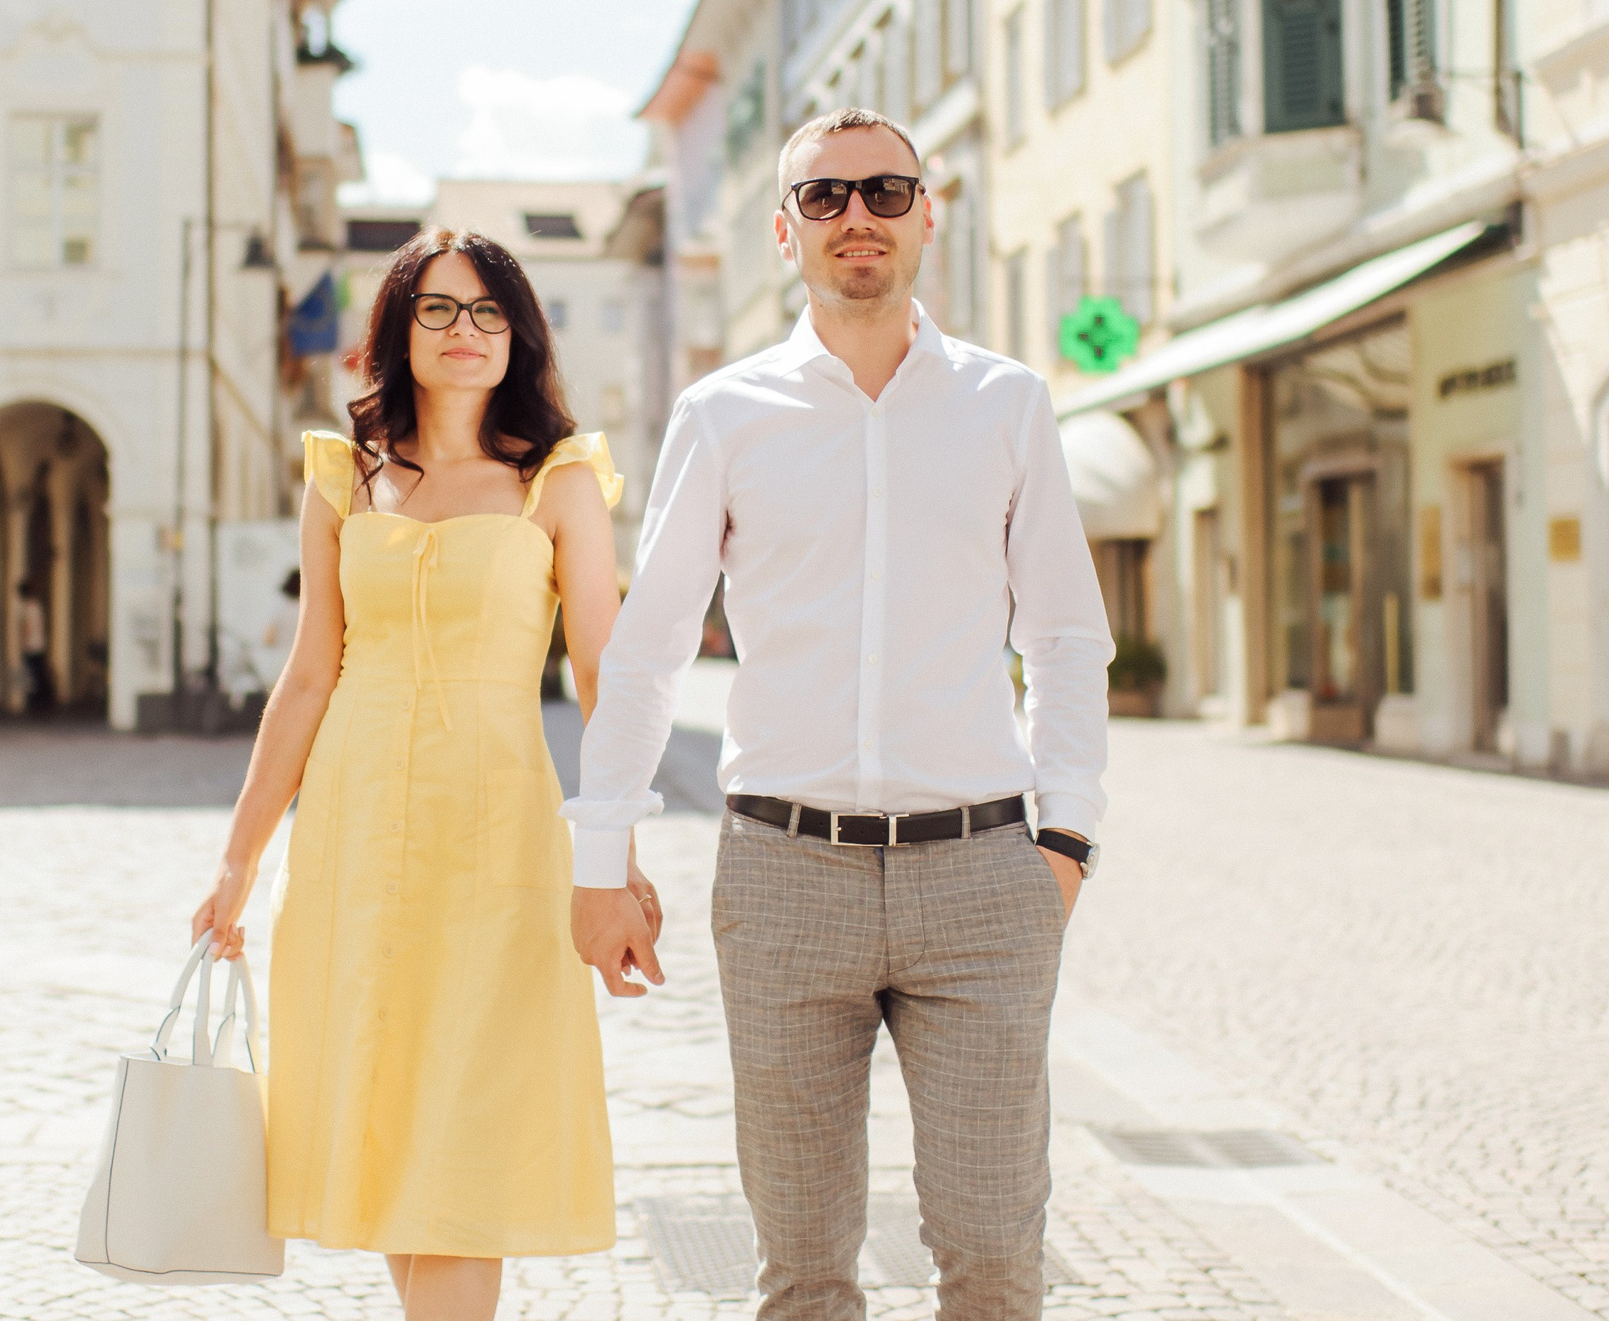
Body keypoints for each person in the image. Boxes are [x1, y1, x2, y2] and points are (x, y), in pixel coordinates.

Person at [567, 108, 1113, 1321]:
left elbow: (1067, 635)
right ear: (783, 231)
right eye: (824, 198)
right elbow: (649, 650)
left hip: (979, 877)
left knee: (992, 1257)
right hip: (781, 877)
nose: (854, 217)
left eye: (882, 191)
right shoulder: (724, 414)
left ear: (929, 214)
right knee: (802, 1270)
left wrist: (1065, 839)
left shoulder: (1006, 404)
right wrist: (598, 856)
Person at [192, 227, 661, 1321]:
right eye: (440, 310)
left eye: (488, 312)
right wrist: (236, 864)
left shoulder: (560, 480)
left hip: (496, 838)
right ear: (397, 333)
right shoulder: (343, 476)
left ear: (518, 334)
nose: (466, 332)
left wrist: (614, 858)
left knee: (464, 1139)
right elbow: (307, 679)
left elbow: (604, 680)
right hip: (354, 838)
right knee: (391, 1126)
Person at [15, 581, 54, 713]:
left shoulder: (27, 607)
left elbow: (27, 626)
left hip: (31, 645)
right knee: (39, 672)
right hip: (39, 643)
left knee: (33, 673)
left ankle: (37, 699)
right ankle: (44, 698)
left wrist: (24, 643)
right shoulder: (36, 605)